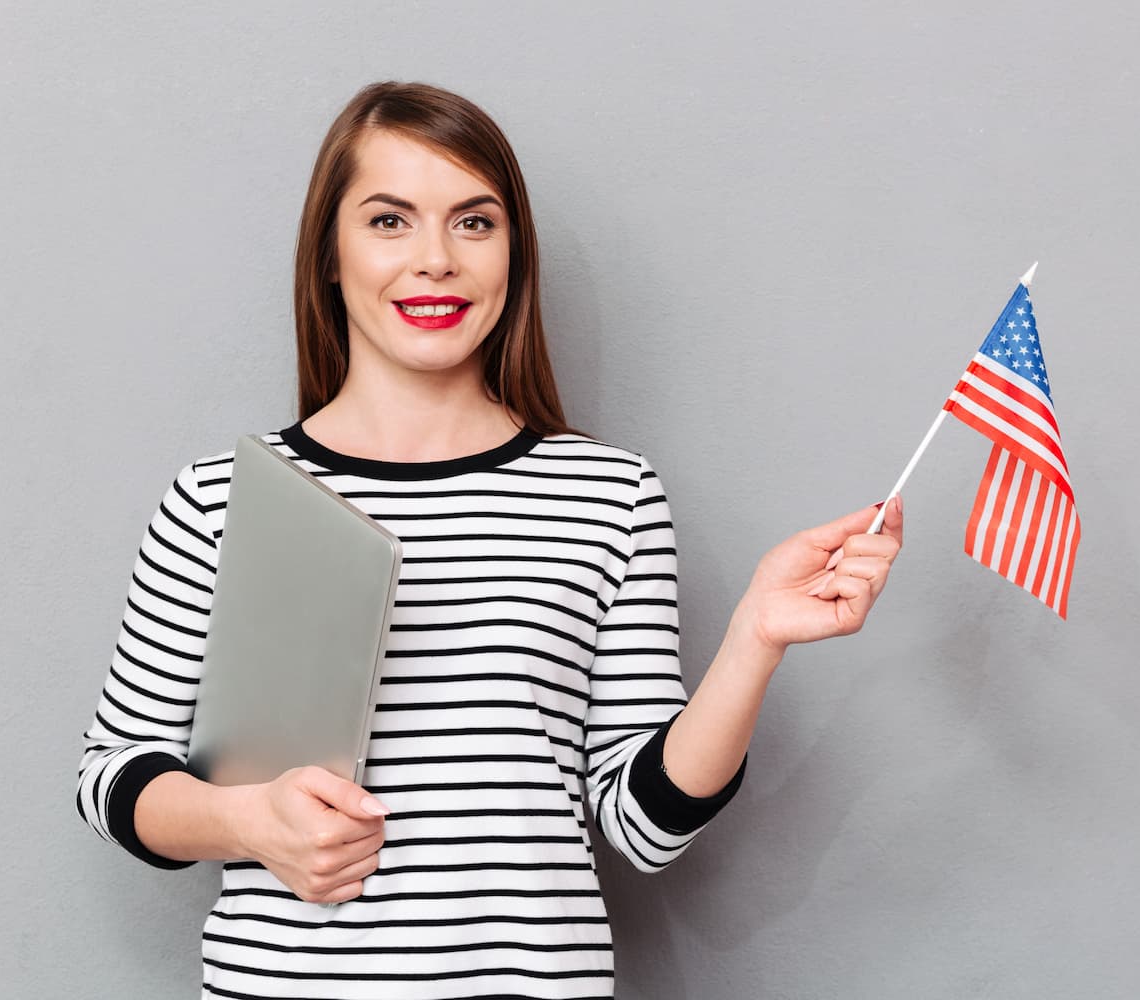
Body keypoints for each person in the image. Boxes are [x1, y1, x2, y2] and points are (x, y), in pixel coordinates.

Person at [76, 80, 903, 999]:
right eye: (390, 222)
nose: (436, 260)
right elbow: (114, 775)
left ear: (513, 256)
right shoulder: (219, 498)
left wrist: (756, 638)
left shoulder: (609, 494)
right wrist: (248, 822)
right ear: (330, 259)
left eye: (474, 223)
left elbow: (642, 825)